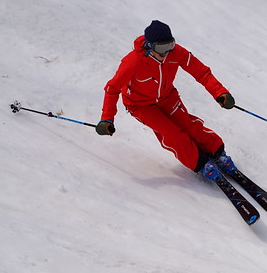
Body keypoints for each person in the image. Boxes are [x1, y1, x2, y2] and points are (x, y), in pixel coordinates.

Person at [96, 20, 238, 181]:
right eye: (161, 48)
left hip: (167, 97)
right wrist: (107, 118)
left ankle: (218, 153)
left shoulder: (176, 52)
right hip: (140, 105)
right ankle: (201, 163)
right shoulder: (133, 61)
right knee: (173, 134)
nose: (166, 53)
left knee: (189, 125)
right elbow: (112, 89)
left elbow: (202, 73)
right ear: (149, 46)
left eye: (169, 45)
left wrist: (221, 93)